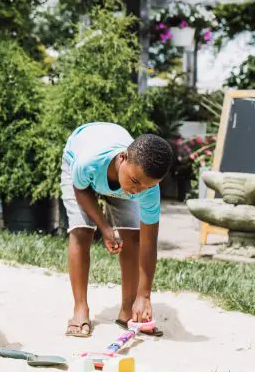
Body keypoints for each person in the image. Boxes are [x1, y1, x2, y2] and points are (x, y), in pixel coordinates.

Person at [60, 123, 173, 338]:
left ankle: (129, 310)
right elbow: (81, 190)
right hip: (81, 164)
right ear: (122, 158)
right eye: (135, 181)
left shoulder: (146, 189)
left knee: (133, 236)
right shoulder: (88, 162)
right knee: (81, 231)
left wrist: (145, 296)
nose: (136, 191)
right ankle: (80, 309)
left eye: (146, 187)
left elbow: (149, 244)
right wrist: (104, 227)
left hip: (115, 169)